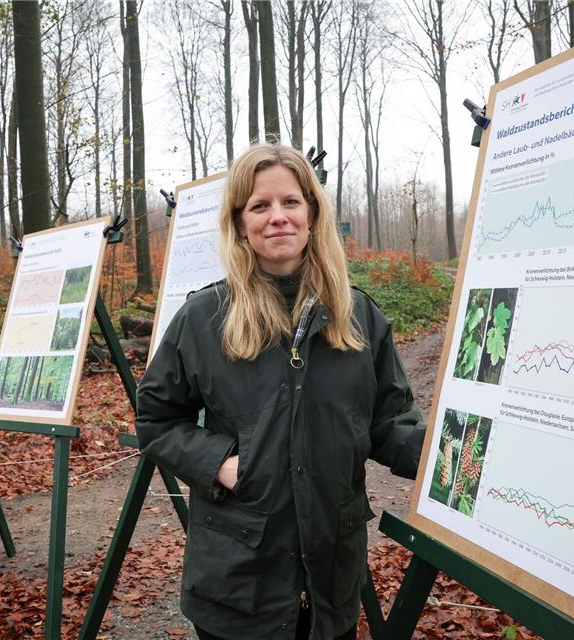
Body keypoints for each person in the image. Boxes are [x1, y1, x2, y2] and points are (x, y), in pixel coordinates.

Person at [136, 143, 426, 640]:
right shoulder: (204, 318)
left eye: (290, 202)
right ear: (240, 223)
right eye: (260, 206)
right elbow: (157, 419)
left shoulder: (358, 317)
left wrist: (451, 460)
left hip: (332, 576)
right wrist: (220, 462)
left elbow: (389, 421)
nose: (278, 218)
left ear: (312, 213)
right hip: (239, 579)